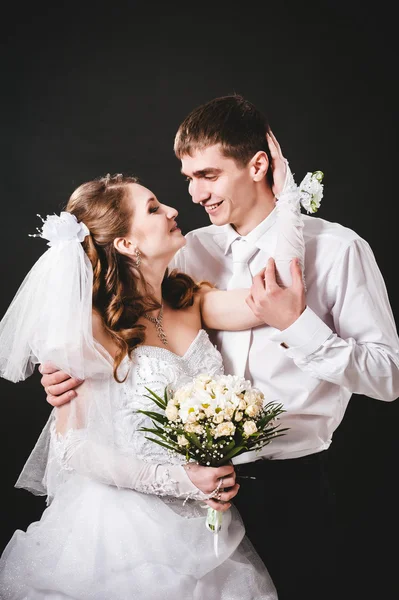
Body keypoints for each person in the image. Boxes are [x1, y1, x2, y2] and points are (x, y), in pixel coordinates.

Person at [41, 95, 399, 600]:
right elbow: (87, 417)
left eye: (207, 175)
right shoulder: (188, 249)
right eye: (186, 177)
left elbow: (286, 305)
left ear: (259, 166)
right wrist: (64, 376)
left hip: (290, 484)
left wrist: (290, 218)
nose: (188, 196)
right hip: (175, 507)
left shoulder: (335, 252)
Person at [0, 147, 306, 598]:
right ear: (126, 243)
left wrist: (286, 200)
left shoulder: (191, 302)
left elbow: (275, 296)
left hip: (203, 523)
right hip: (119, 531)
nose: (172, 209)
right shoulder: (93, 327)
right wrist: (181, 479)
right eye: (153, 208)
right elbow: (73, 449)